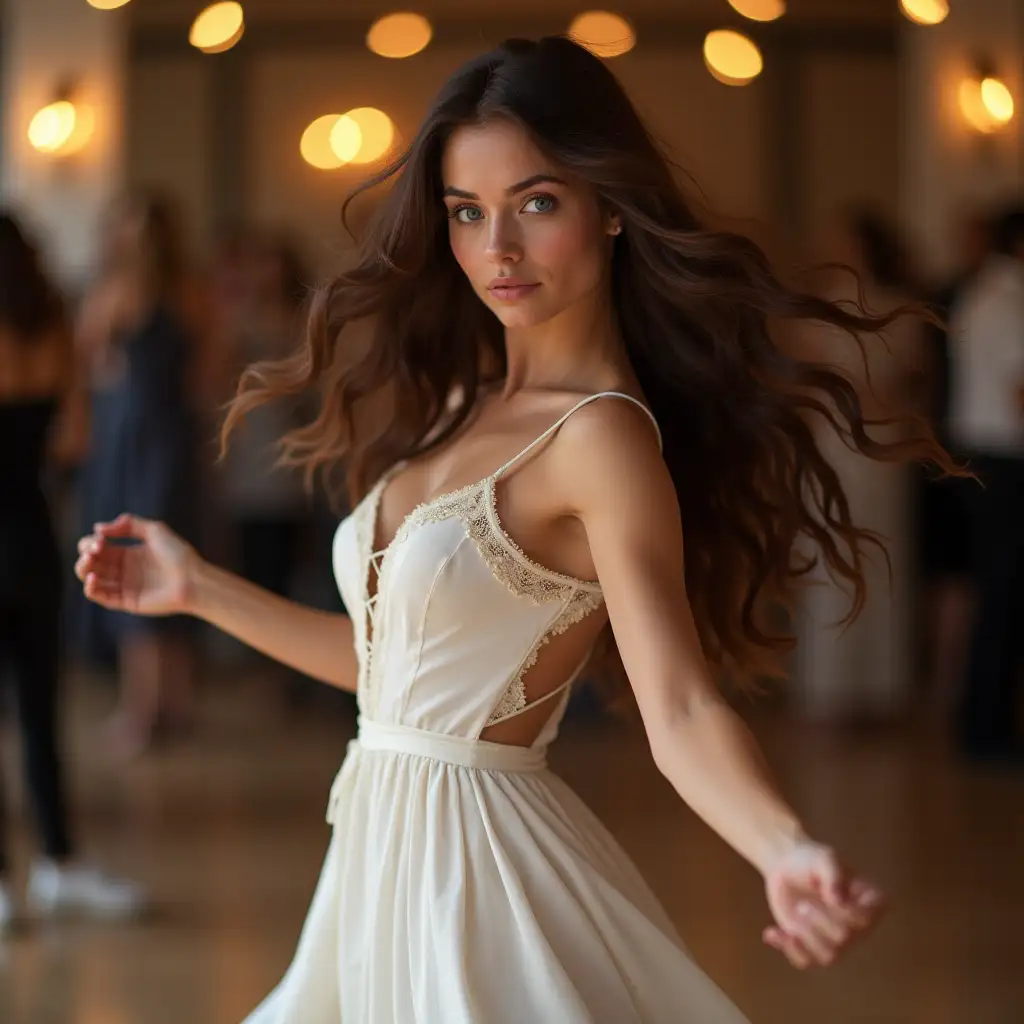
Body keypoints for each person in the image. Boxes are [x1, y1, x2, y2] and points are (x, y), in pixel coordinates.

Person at [75, 37, 952, 1022]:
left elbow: (680, 710)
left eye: (536, 202)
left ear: (611, 207)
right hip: (373, 872)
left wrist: (784, 846)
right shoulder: (461, 398)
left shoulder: (603, 439)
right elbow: (396, 677)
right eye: (466, 212)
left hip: (476, 880)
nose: (496, 248)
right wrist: (195, 588)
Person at [0, 211, 145, 933]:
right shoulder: (50, 327)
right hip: (29, 536)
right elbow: (73, 441)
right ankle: (59, 862)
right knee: (39, 715)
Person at [73, 192, 201, 758]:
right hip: (173, 438)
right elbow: (211, 374)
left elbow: (89, 361)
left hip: (133, 440)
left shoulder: (118, 291)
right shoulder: (193, 293)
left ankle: (140, 711)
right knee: (172, 558)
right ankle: (174, 703)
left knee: (131, 558)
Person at [792, 208, 926, 723]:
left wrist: (894, 407)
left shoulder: (900, 308)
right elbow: (798, 382)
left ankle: (881, 686)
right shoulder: (815, 308)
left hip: (883, 446)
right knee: (831, 556)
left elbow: (916, 382)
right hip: (831, 444)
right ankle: (829, 689)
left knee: (883, 556)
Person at [947, 205, 1024, 765]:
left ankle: (983, 725)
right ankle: (987, 731)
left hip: (982, 457)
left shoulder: (980, 292)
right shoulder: (1012, 302)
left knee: (995, 592)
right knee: (1003, 595)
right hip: (1007, 459)